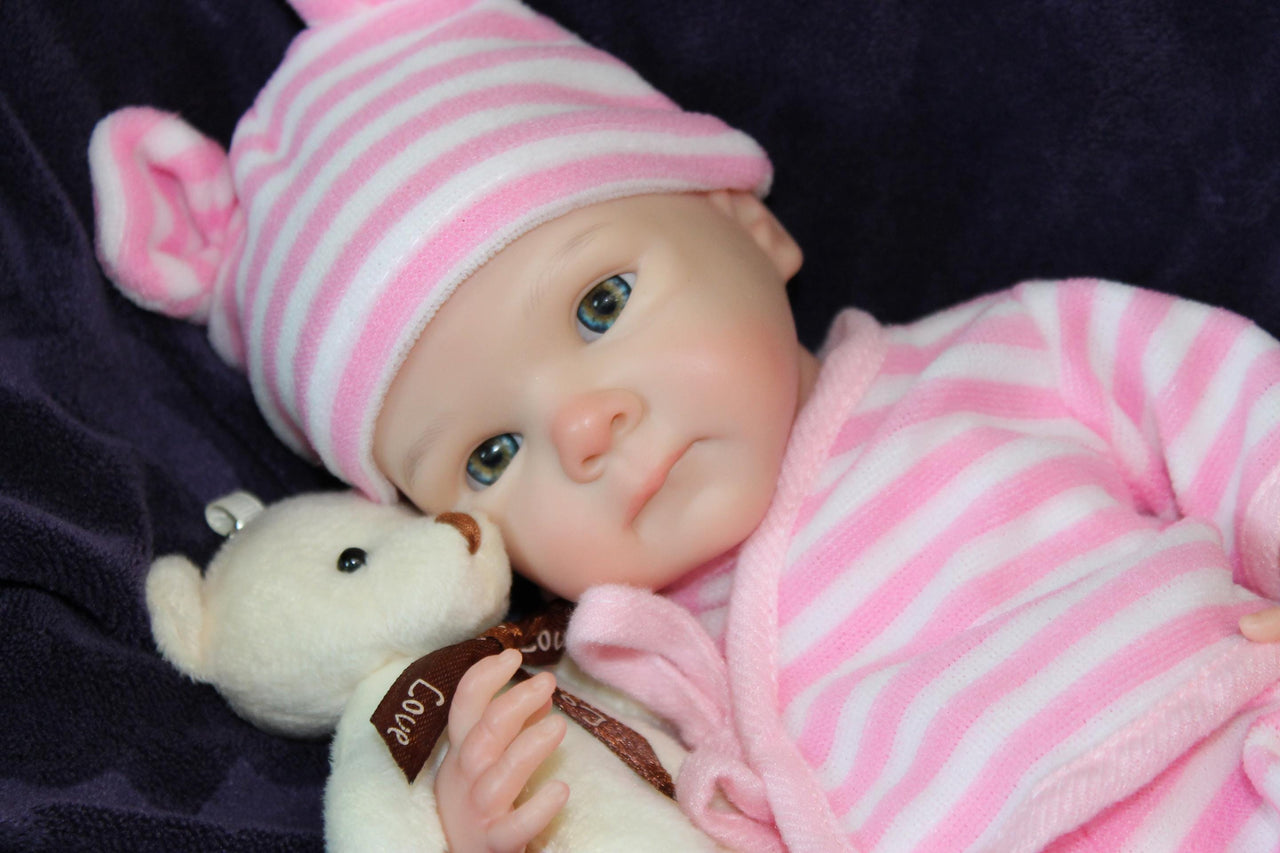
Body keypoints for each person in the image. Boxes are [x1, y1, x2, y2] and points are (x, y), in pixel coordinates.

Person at [88, 0, 1280, 850]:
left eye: (600, 303)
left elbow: (1238, 414)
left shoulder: (1016, 350)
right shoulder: (631, 668)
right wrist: (479, 829)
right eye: (491, 455)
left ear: (747, 225)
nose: (587, 428)